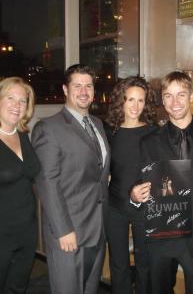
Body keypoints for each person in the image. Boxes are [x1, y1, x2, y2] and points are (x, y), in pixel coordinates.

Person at [130, 71, 193, 294]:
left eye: (181, 95)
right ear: (162, 99)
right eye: (168, 96)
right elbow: (139, 182)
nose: (175, 102)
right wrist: (134, 195)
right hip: (161, 233)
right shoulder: (148, 142)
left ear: (191, 96)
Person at [32, 64, 110, 294]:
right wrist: (63, 229)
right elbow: (47, 182)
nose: (84, 91)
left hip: (97, 228)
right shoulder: (49, 128)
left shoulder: (97, 124)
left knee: (89, 290)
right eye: (77, 86)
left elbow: (97, 173)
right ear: (65, 90)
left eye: (88, 86)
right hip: (69, 230)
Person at [104, 77, 157, 294]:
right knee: (118, 265)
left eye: (141, 101)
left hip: (143, 209)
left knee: (145, 265)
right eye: (130, 100)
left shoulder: (154, 133)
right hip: (114, 207)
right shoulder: (109, 132)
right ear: (120, 101)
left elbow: (160, 172)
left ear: (146, 103)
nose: (135, 106)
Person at [0, 77, 40, 294]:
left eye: (22, 101)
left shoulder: (23, 136)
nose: (17, 105)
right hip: (1, 232)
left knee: (17, 287)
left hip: (27, 230)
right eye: (10, 98)